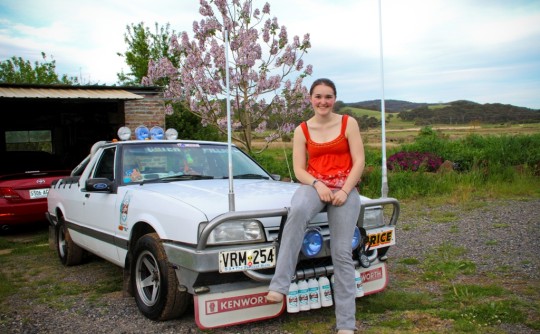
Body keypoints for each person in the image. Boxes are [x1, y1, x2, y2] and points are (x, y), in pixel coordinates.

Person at [266, 78, 365, 334]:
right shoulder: (302, 130)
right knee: (297, 211)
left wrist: (344, 190)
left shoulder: (348, 123)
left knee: (342, 253)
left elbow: (359, 161)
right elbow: (299, 169)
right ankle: (279, 285)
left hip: (345, 187)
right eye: (318, 96)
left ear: (335, 99)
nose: (323, 101)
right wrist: (318, 185)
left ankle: (346, 324)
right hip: (314, 184)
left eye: (328, 96)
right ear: (311, 99)